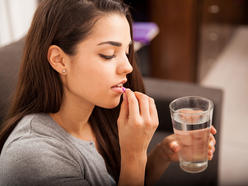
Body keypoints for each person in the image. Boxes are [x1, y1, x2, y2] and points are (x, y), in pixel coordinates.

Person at [0, 0, 217, 185]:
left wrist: (160, 155)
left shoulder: (98, 113)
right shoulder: (34, 158)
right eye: (108, 54)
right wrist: (133, 155)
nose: (128, 67)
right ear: (59, 59)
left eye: (127, 51)